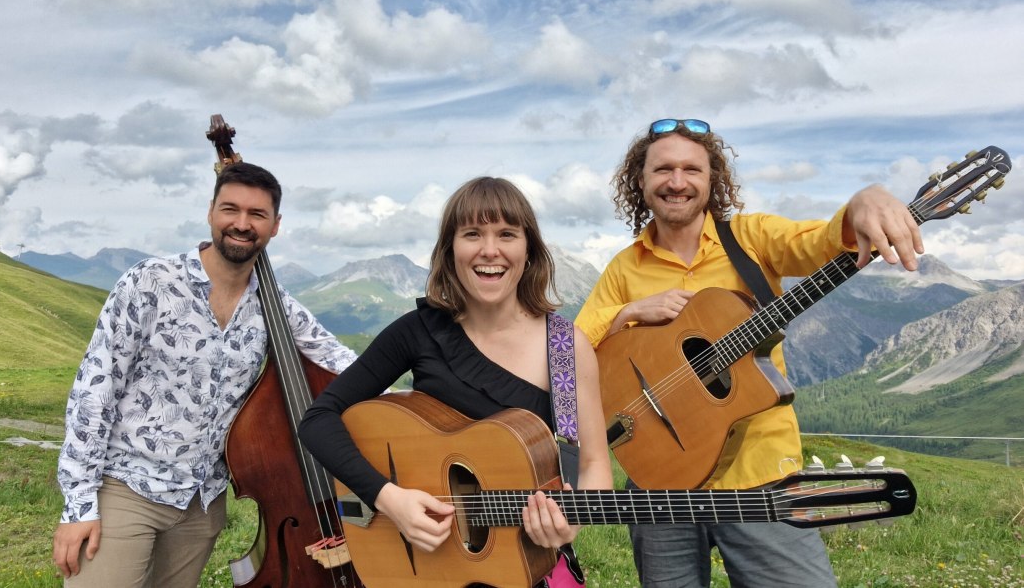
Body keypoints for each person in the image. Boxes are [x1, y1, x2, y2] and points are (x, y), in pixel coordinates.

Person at [574, 118, 923, 588]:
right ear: (641, 181)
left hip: (762, 480)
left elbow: (821, 243)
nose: (677, 182)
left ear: (711, 178)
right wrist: (627, 313)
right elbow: (570, 350)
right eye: (662, 170)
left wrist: (866, 199)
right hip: (660, 479)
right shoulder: (625, 268)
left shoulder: (751, 237)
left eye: (691, 169)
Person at [51, 162, 357, 587]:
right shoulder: (149, 282)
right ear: (211, 211)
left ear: (275, 226)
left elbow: (342, 363)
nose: (241, 223)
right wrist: (79, 506)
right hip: (126, 488)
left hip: (201, 504)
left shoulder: (276, 305)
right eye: (230, 209)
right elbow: (95, 388)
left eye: (257, 215)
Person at [297, 176, 613, 584]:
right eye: (472, 234)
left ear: (529, 249)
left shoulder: (565, 346)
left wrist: (573, 522)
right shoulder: (418, 331)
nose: (489, 250)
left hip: (526, 564)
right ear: (450, 250)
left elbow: (592, 463)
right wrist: (389, 499)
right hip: (434, 568)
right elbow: (319, 419)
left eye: (506, 234)